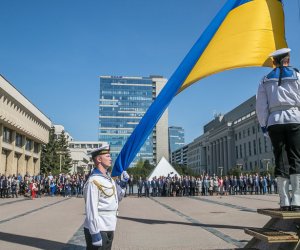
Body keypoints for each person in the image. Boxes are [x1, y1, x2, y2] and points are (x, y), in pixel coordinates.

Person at [256, 48, 300, 211]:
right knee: (296, 157)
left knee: (280, 158)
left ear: (274, 62)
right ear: (287, 60)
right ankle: (296, 199)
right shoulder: (297, 75)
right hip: (295, 117)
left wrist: (264, 125)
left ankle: (284, 200)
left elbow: (261, 106)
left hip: (274, 120)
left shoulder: (265, 79)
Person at [83, 145, 128, 249]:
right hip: (99, 228)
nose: (111, 158)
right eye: (107, 156)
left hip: (109, 226)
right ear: (99, 159)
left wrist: (123, 184)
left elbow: (117, 199)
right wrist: (94, 233)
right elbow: (91, 209)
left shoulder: (109, 179)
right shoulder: (93, 181)